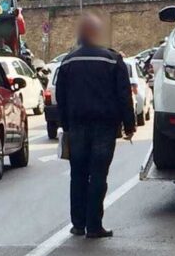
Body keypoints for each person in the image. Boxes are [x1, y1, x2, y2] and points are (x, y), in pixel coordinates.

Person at [56, 14, 136, 238]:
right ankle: (94, 226)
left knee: (78, 174)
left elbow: (60, 96)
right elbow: (123, 95)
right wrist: (129, 124)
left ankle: (78, 223)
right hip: (104, 126)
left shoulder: (68, 61)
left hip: (77, 126)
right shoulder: (112, 60)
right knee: (99, 175)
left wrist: (65, 125)